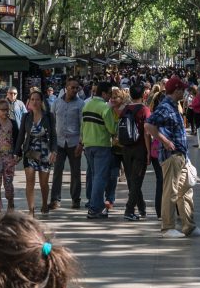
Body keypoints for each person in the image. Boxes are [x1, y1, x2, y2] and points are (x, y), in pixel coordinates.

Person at [146, 75, 200, 239]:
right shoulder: (165, 107)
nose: (185, 92)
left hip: (181, 155)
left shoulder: (174, 106)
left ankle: (189, 226)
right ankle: (167, 227)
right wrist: (165, 141)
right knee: (171, 191)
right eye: (182, 89)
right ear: (177, 90)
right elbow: (148, 124)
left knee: (186, 191)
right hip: (171, 156)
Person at [15, 90, 58, 215]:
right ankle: (31, 210)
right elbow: (21, 135)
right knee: (30, 180)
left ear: (41, 101)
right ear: (29, 101)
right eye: (32, 99)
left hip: (45, 152)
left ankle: (45, 203)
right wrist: (17, 152)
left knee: (43, 183)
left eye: (37, 99)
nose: (34, 102)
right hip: (30, 152)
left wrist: (54, 151)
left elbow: (54, 135)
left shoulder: (49, 116)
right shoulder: (26, 116)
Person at [82, 82, 117, 219]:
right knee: (100, 178)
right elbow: (112, 129)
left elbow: (82, 125)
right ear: (103, 93)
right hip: (102, 145)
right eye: (109, 93)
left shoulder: (87, 105)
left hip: (88, 144)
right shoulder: (105, 108)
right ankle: (95, 208)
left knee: (93, 175)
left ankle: (93, 203)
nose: (110, 96)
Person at [120, 82, 152, 221]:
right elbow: (147, 133)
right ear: (143, 95)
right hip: (140, 149)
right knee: (137, 181)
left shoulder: (125, 109)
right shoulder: (144, 110)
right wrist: (149, 151)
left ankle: (142, 207)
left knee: (132, 181)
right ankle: (129, 210)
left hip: (126, 149)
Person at [51, 77, 85, 209]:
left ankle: (75, 199)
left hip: (74, 142)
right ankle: (55, 199)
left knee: (75, 173)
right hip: (59, 142)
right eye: (72, 87)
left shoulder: (80, 104)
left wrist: (81, 143)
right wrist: (51, 143)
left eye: (77, 88)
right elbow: (52, 122)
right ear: (66, 87)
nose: (75, 90)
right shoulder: (56, 102)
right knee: (57, 171)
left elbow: (83, 125)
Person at [0, 99, 20, 213]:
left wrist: (18, 155)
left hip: (9, 157)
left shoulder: (13, 123)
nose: (5, 112)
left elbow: (17, 140)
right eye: (2, 110)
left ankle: (10, 202)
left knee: (8, 182)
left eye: (7, 110)